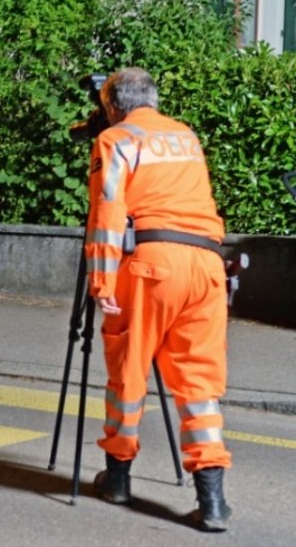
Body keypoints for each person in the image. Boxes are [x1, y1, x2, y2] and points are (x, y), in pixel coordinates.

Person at [83, 67, 232, 532]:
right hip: (207, 266)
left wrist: (102, 282)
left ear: (112, 107)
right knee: (198, 382)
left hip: (151, 265)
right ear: (153, 99)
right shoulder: (185, 135)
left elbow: (107, 214)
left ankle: (119, 477)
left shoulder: (115, 140)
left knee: (128, 373)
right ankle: (211, 500)